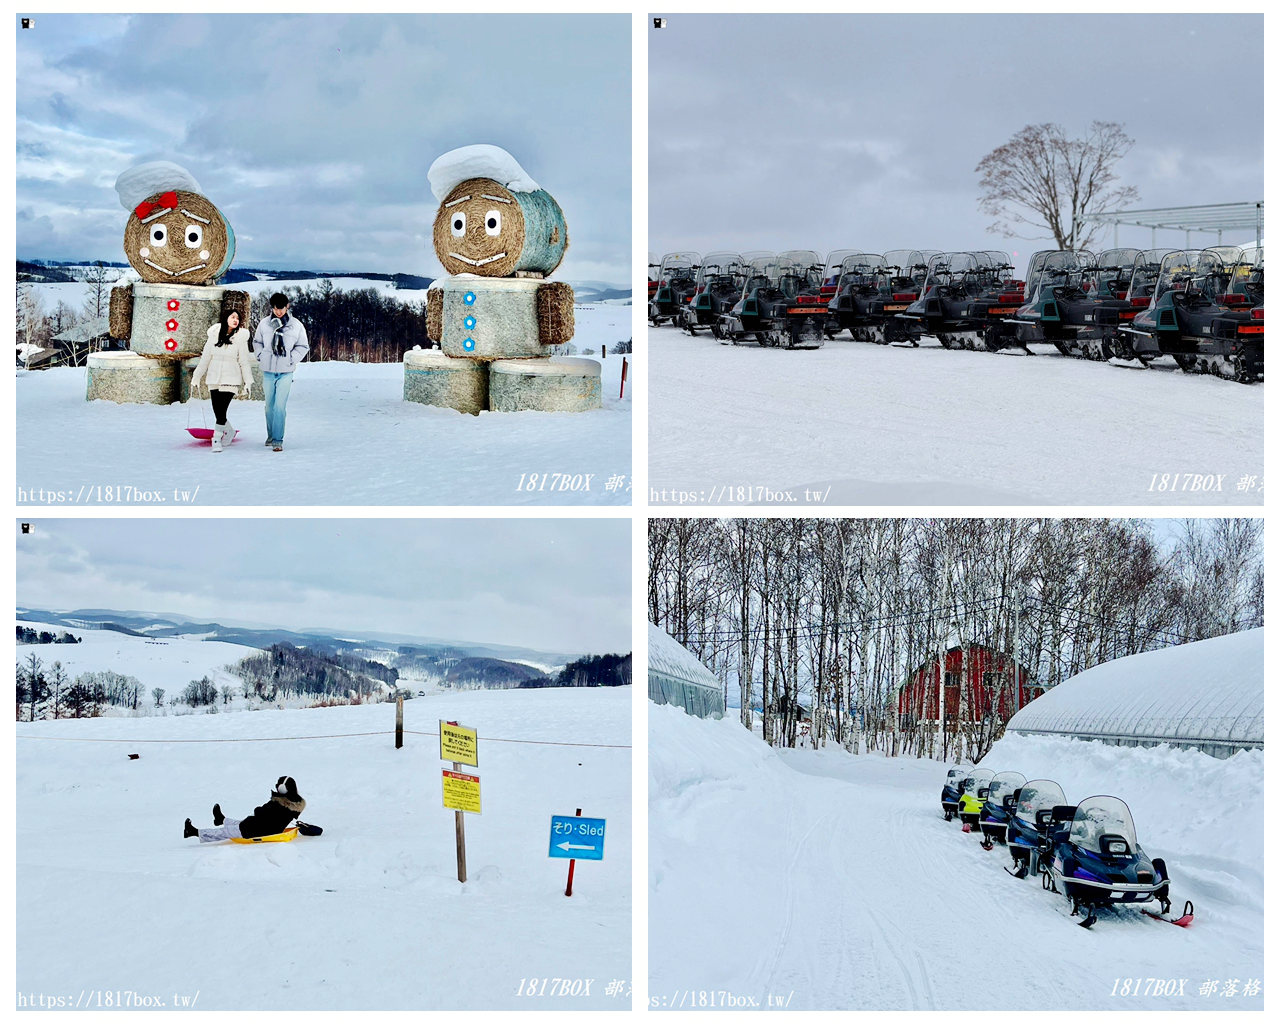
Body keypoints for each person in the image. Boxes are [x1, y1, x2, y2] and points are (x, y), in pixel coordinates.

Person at [190, 309, 255, 451]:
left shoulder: (240, 338)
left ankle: (216, 439)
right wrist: (196, 376)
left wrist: (248, 381)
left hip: (231, 378)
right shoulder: (213, 336)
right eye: (232, 317)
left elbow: (244, 362)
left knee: (222, 410)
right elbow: (205, 359)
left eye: (238, 318)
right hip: (214, 378)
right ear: (226, 318)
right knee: (218, 411)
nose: (235, 320)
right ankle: (229, 431)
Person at [251, 293, 309, 451]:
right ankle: (270, 436)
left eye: (281, 308)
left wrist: (291, 358)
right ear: (272, 308)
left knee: (279, 406)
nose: (279, 312)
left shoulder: (295, 325)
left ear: (287, 306)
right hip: (268, 370)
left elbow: (303, 346)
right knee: (269, 406)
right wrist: (260, 355)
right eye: (276, 309)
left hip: (286, 371)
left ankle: (278, 440)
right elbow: (257, 342)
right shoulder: (264, 324)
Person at [184, 775, 305, 843]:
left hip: (259, 830)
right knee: (240, 824)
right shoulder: (293, 804)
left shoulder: (278, 804)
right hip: (266, 827)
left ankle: (194, 832)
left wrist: (259, 809)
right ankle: (222, 820)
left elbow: (260, 812)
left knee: (225, 832)